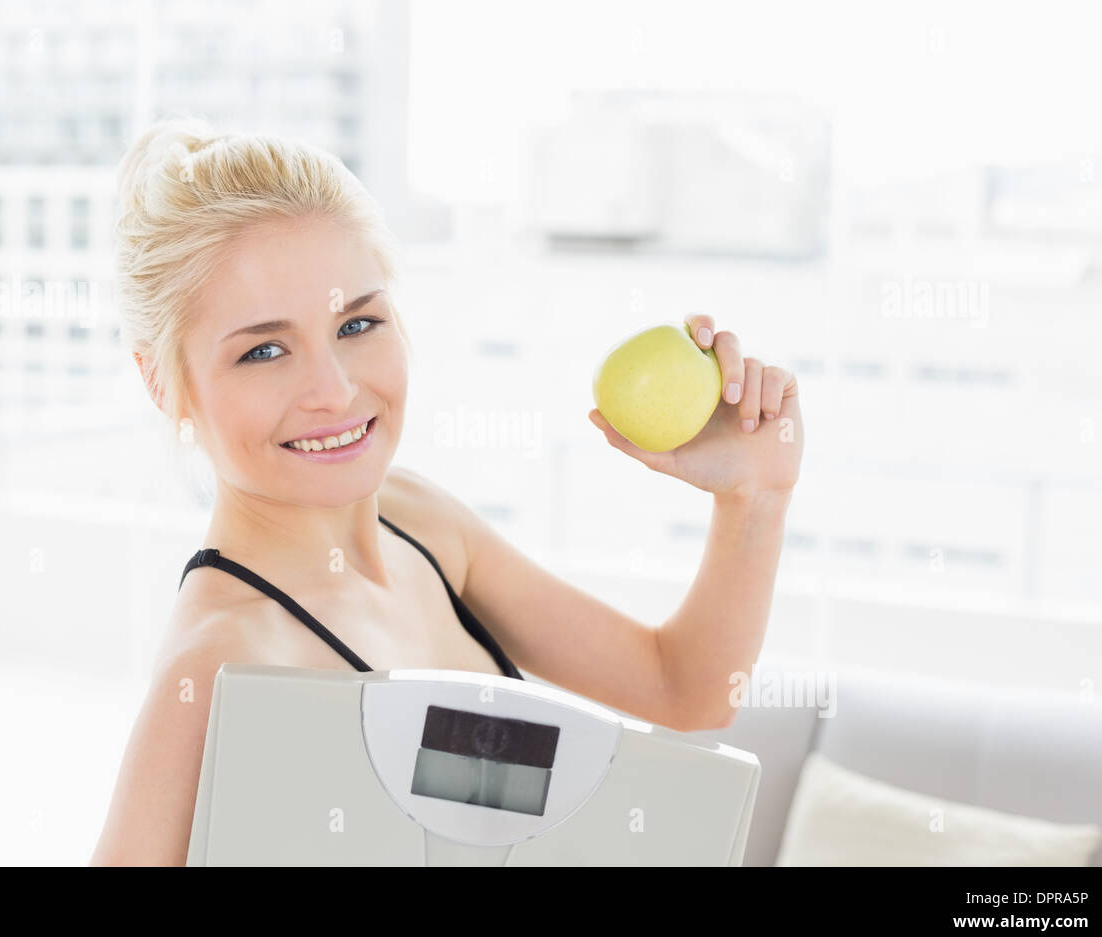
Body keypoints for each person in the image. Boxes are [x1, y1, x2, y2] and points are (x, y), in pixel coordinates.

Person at [90, 116, 803, 866]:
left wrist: (755, 497)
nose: (333, 390)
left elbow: (684, 689)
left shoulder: (420, 524)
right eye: (264, 350)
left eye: (357, 323)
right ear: (162, 383)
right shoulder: (221, 665)